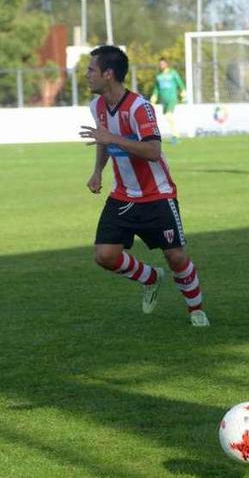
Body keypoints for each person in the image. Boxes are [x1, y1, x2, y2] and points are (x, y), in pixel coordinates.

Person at [80, 45, 208, 328]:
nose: (86, 75)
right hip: (123, 195)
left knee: (176, 256)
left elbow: (152, 150)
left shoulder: (139, 107)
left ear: (108, 74)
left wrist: (112, 138)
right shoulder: (97, 106)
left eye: (91, 70)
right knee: (105, 255)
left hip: (157, 195)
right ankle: (150, 278)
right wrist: (97, 172)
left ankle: (196, 310)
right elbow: (103, 140)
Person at [150, 58, 186, 143]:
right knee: (168, 117)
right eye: (160, 64)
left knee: (169, 115)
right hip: (164, 100)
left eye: (163, 63)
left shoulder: (173, 73)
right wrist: (154, 97)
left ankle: (176, 136)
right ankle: (175, 136)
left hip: (172, 98)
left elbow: (180, 83)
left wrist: (183, 92)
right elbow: (156, 88)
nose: (161, 65)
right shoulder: (159, 76)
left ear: (166, 64)